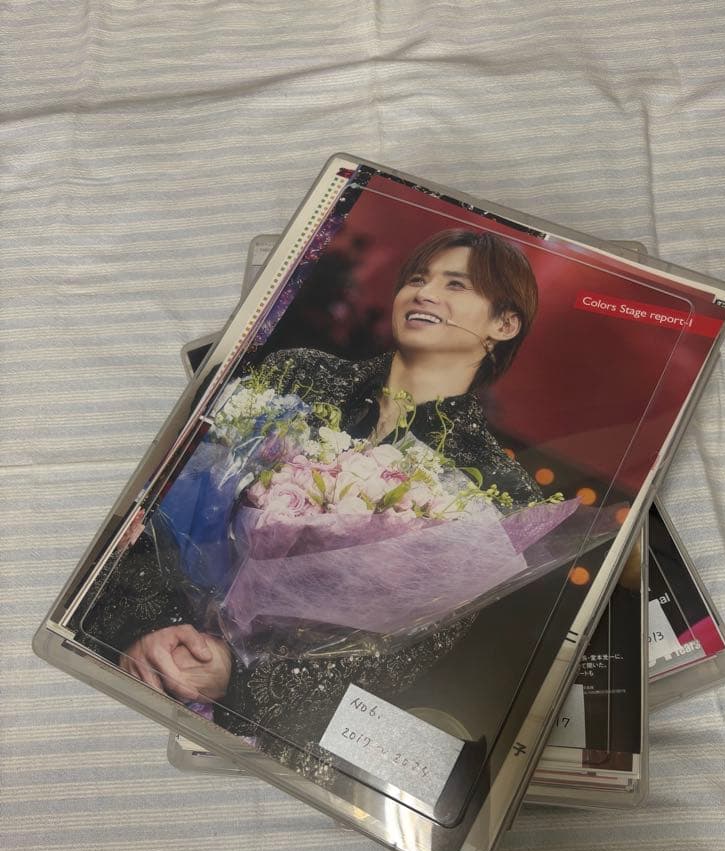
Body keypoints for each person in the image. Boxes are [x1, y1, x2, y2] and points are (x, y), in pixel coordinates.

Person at [79, 228, 545, 753]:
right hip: (136, 658)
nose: (424, 293)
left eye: (455, 285)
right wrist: (152, 626)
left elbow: (405, 652)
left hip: (260, 725)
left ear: (504, 324)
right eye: (416, 279)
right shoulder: (297, 373)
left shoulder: (496, 488)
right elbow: (168, 504)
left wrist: (236, 674)